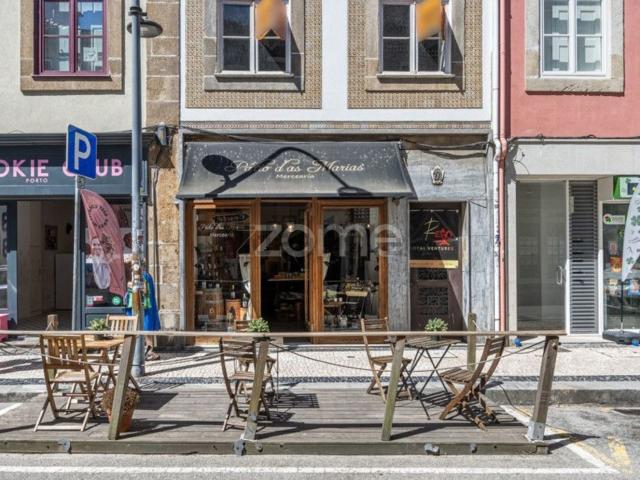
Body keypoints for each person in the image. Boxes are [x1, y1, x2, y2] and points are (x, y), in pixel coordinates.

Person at [125, 270, 161, 361]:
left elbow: (144, 290)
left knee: (146, 330)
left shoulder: (143, 275)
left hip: (144, 307)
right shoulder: (145, 275)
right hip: (144, 306)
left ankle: (149, 352)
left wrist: (132, 285)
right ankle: (148, 352)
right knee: (146, 330)